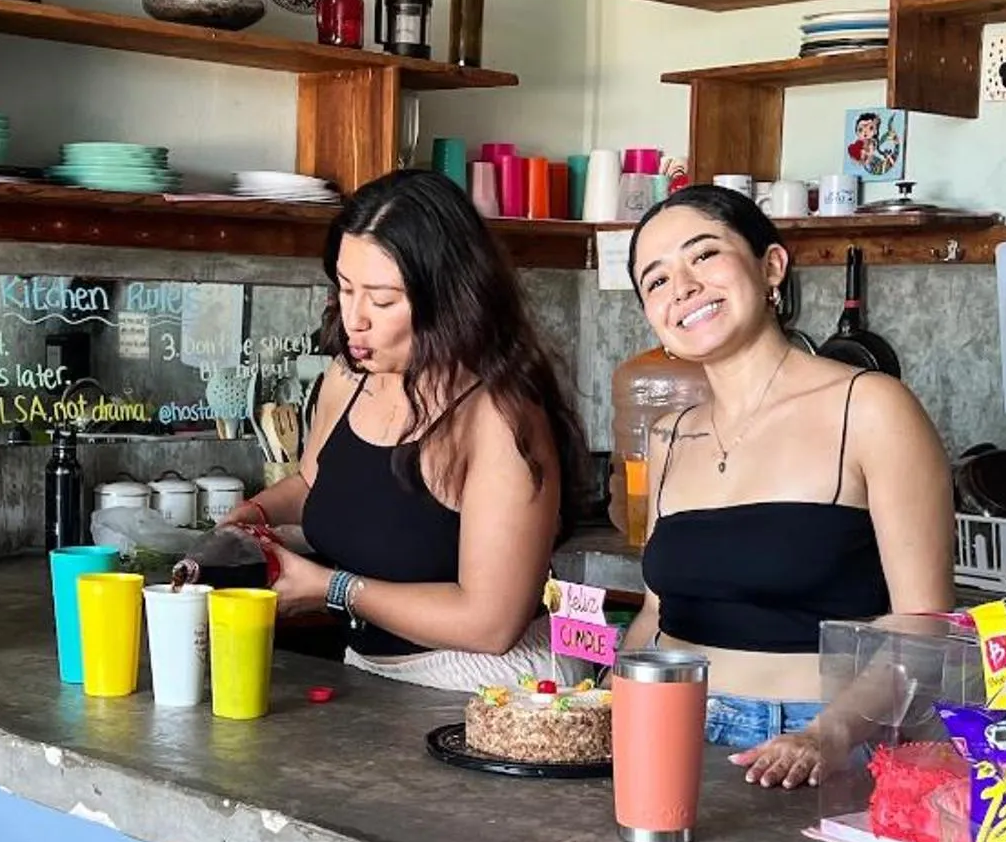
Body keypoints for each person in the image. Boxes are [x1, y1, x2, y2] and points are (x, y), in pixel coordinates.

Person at [618, 186, 954, 789]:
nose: (684, 287)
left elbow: (924, 623)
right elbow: (654, 612)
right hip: (674, 727)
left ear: (771, 266)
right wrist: (603, 700)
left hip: (819, 743)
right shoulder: (668, 436)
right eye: (657, 281)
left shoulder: (870, 407)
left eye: (704, 256)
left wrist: (831, 732)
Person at [218, 170, 587, 691]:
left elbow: (490, 623)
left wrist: (331, 588)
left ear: (451, 298)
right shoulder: (346, 378)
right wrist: (254, 514)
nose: (355, 320)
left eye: (383, 299)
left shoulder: (498, 416)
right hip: (373, 674)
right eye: (345, 289)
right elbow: (312, 482)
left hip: (494, 686)